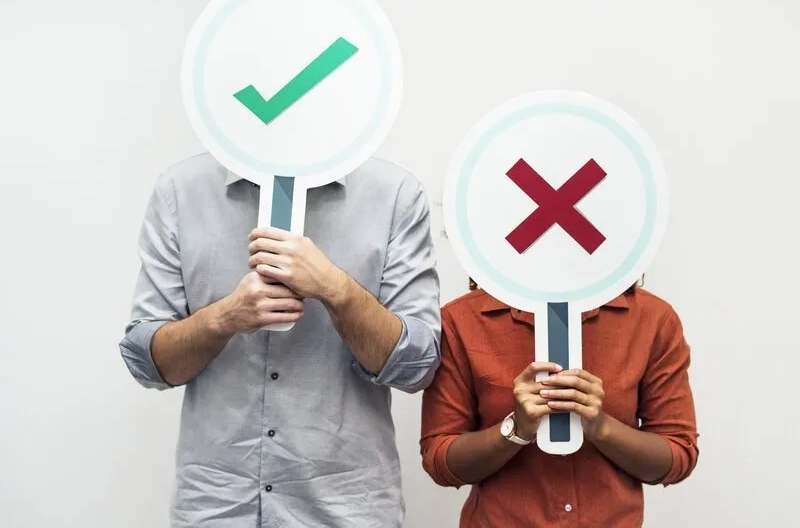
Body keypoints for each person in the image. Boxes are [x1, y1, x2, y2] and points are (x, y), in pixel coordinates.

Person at [119, 153, 441, 527]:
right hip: (216, 507)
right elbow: (148, 364)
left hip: (346, 508)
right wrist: (223, 317)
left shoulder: (395, 193)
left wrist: (337, 289)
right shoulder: (180, 190)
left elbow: (416, 367)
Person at [420, 279, 698, 527]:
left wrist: (602, 428)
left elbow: (678, 455)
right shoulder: (461, 320)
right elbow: (440, 460)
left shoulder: (652, 319)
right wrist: (515, 430)